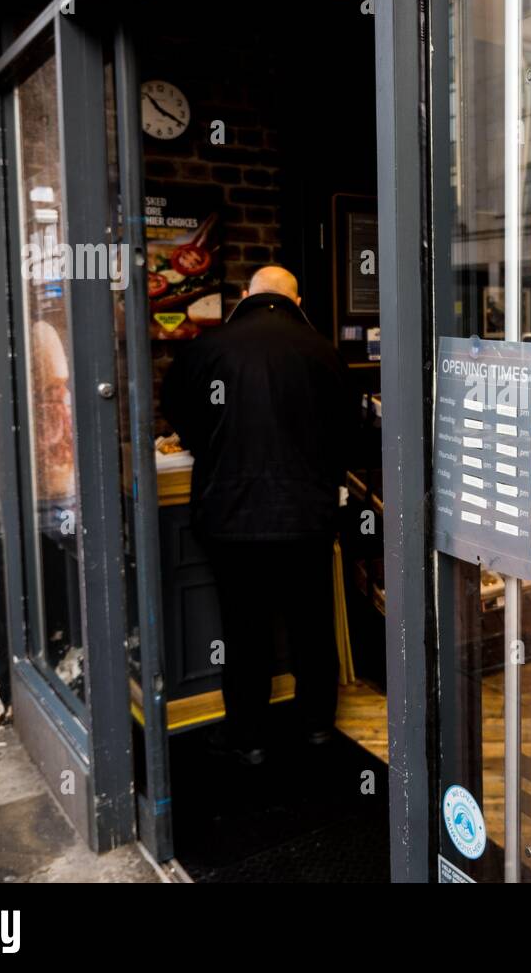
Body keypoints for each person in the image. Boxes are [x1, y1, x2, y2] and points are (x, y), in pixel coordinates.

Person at [162, 265, 354, 764]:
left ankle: (247, 737)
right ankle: (317, 726)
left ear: (244, 296)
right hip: (306, 512)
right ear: (298, 300)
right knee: (313, 623)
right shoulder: (324, 351)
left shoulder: (206, 348)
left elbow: (182, 418)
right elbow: (345, 431)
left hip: (230, 513)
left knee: (243, 629)